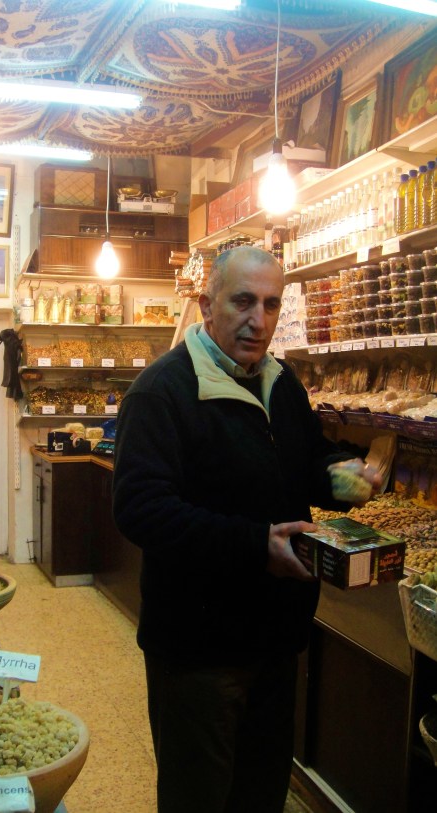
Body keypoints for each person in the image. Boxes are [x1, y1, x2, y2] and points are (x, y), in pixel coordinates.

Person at [112, 245, 381, 813]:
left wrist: (338, 473)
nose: (258, 320)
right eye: (243, 301)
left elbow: (302, 459)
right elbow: (141, 508)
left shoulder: (282, 384)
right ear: (207, 305)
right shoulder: (162, 392)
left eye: (271, 304)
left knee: (261, 794)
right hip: (197, 652)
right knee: (200, 797)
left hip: (276, 641)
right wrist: (255, 544)